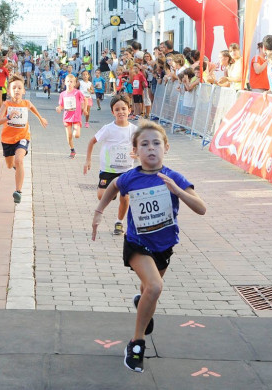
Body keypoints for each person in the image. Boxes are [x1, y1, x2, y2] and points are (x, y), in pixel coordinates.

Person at [91, 121, 206, 372]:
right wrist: (99, 211)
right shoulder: (131, 177)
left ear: (166, 147)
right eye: (144, 144)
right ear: (135, 151)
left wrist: (177, 190)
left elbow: (201, 209)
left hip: (163, 246)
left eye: (156, 143)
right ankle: (136, 342)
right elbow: (113, 186)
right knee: (155, 287)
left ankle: (141, 301)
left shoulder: (173, 177)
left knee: (148, 290)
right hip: (137, 243)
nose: (150, 148)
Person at [84, 95, 137, 235]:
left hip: (126, 169)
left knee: (125, 198)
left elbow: (141, 146)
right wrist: (88, 160)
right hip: (108, 168)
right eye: (117, 109)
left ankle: (119, 222)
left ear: (129, 110)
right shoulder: (108, 128)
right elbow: (91, 142)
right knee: (101, 195)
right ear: (113, 112)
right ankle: (111, 192)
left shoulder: (134, 130)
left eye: (124, 109)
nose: (121, 112)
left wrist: (137, 155)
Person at [0, 75, 48, 203]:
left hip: (23, 137)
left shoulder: (26, 103)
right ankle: (16, 168)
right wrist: (7, 117)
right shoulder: (6, 104)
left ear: (24, 91)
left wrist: (41, 119)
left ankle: (18, 192)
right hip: (7, 139)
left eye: (19, 88)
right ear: (9, 91)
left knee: (19, 160)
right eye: (14, 88)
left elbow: (33, 109)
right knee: (10, 165)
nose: (17, 90)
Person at [56, 74, 87, 158]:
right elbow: (61, 105)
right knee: (69, 136)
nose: (69, 83)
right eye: (68, 81)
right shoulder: (62, 94)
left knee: (76, 135)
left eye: (71, 82)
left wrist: (84, 109)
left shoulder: (77, 92)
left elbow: (85, 99)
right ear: (65, 82)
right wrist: (59, 108)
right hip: (67, 117)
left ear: (74, 83)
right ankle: (72, 150)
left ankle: (76, 130)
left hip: (76, 117)